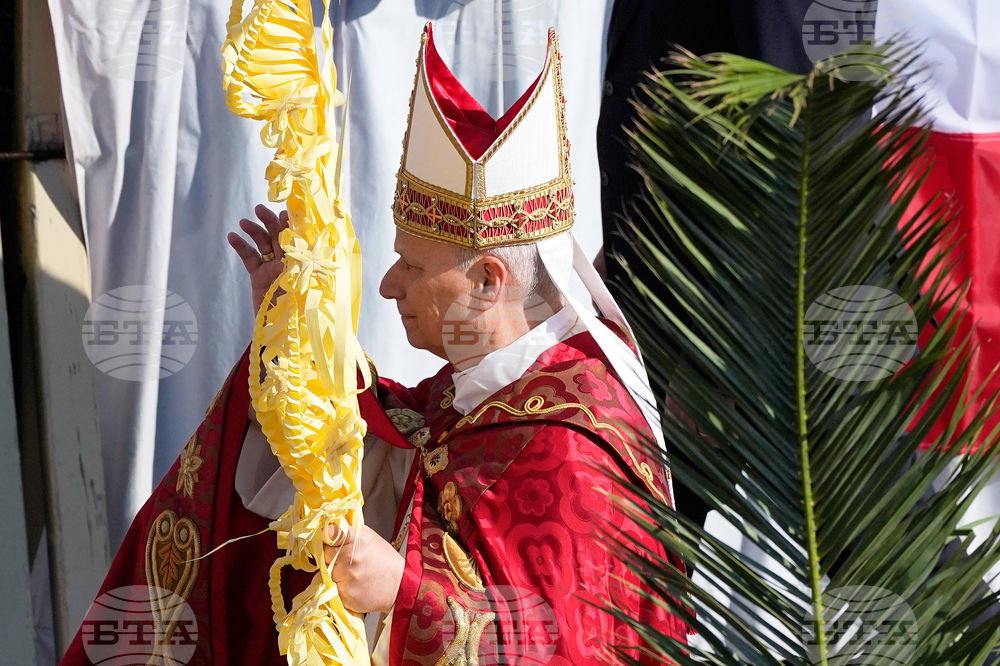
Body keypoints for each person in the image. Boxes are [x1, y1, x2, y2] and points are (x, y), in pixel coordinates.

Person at [60, 23, 685, 666]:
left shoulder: (573, 450)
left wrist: (403, 593)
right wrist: (294, 338)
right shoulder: (492, 384)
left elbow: (567, 648)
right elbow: (391, 441)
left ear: (487, 281)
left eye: (412, 267)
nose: (389, 286)